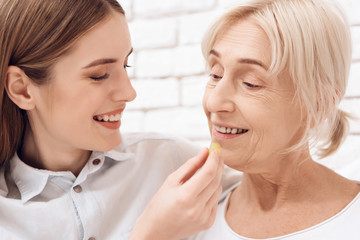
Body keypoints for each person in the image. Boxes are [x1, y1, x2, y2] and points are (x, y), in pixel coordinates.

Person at [0, 1, 240, 239]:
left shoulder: (169, 161)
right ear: (22, 90)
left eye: (126, 65)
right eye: (99, 75)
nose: (129, 93)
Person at [191, 0, 360, 239]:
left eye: (251, 83)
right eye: (216, 74)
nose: (213, 102)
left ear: (318, 104)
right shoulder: (191, 219)